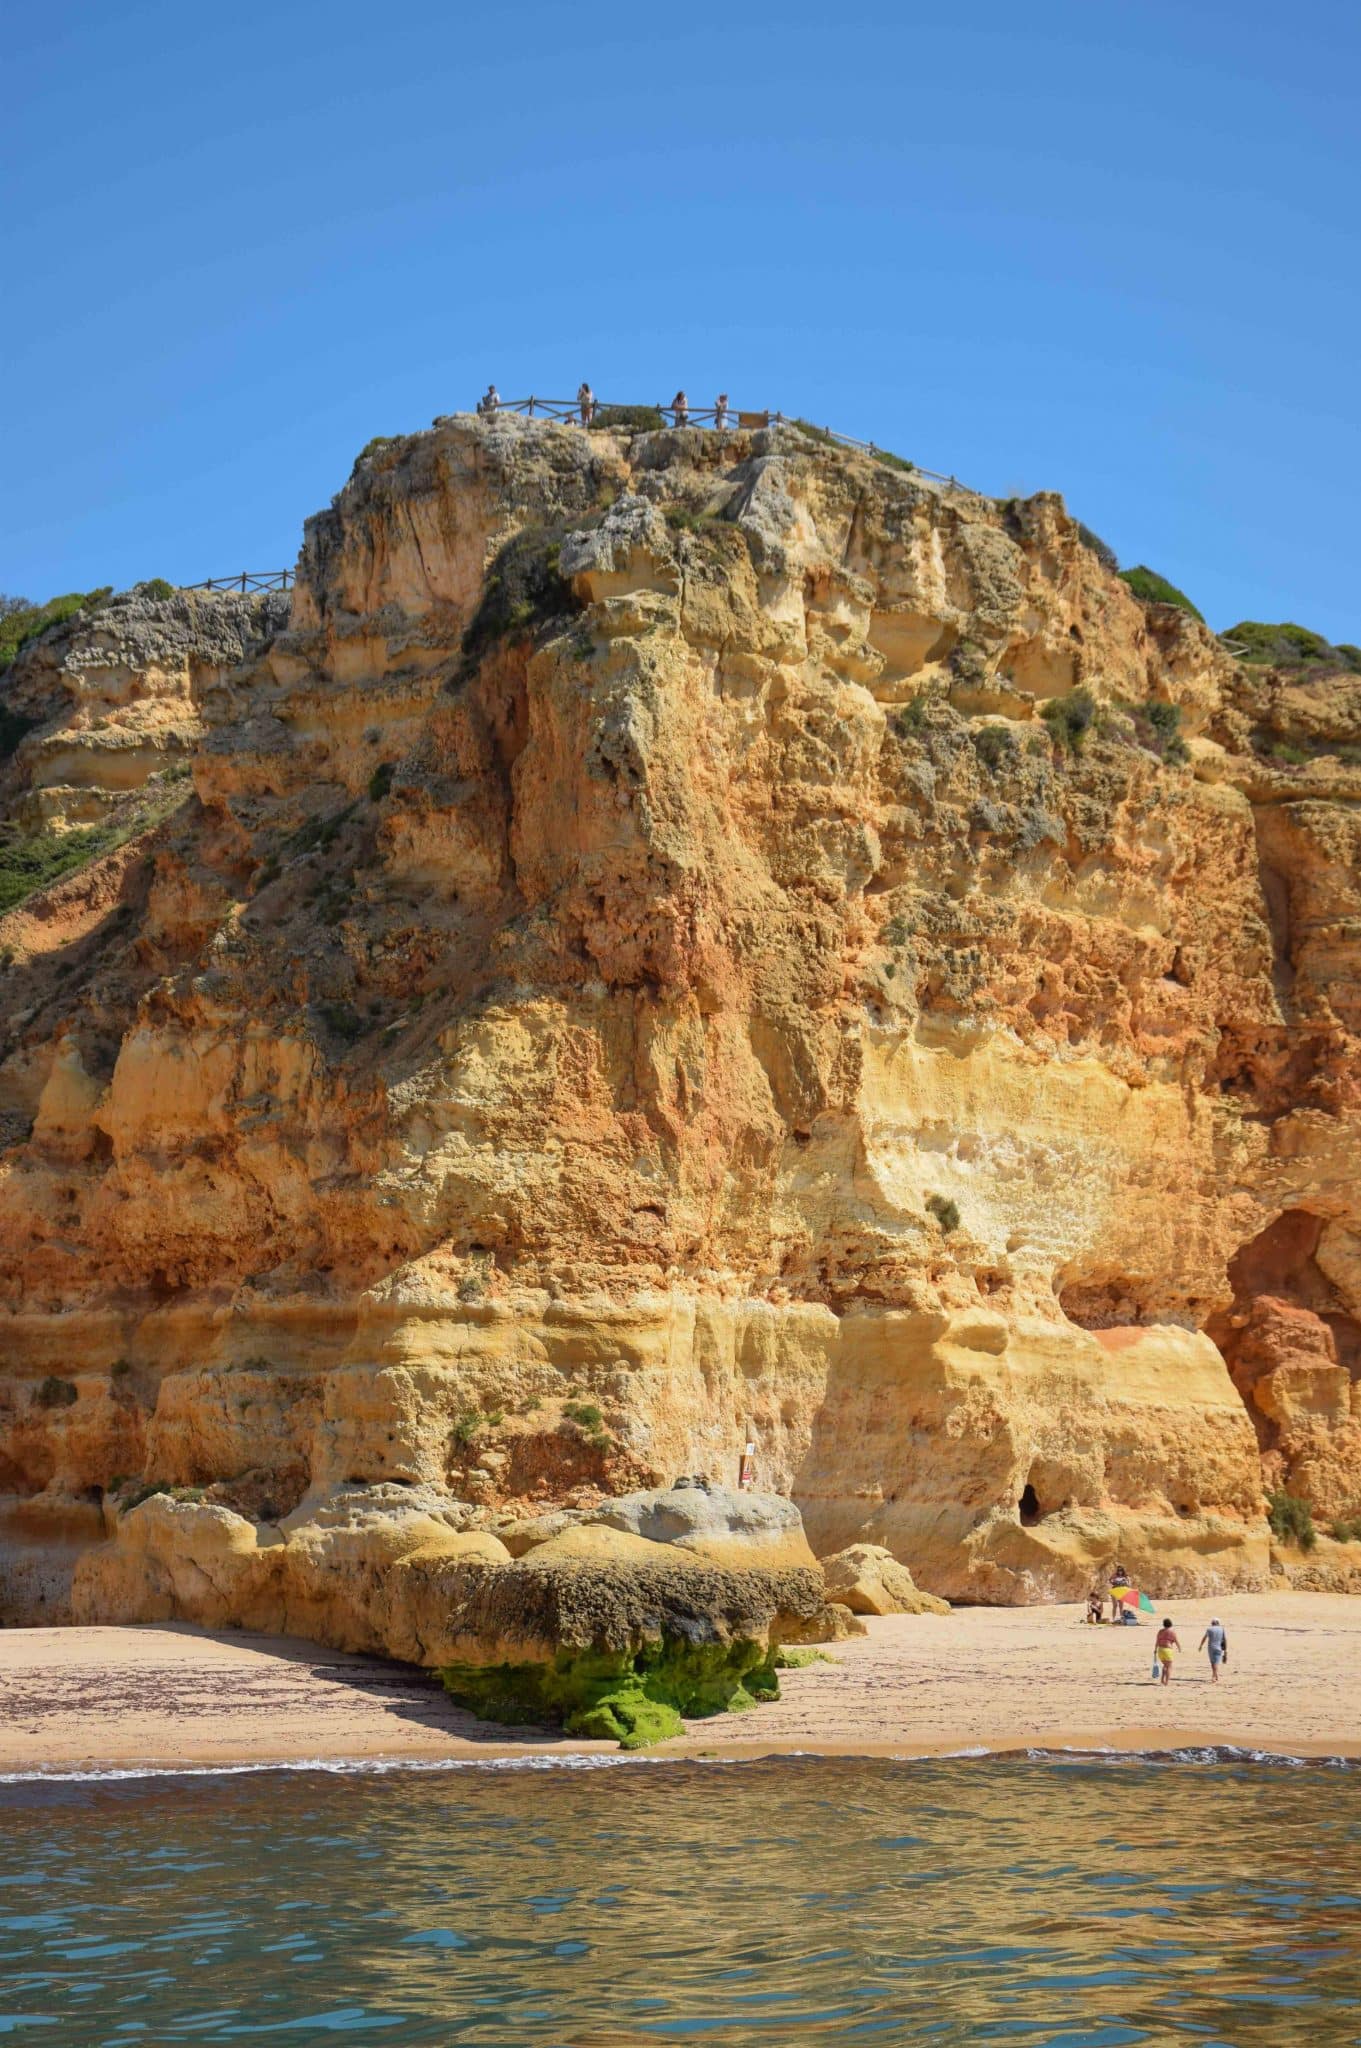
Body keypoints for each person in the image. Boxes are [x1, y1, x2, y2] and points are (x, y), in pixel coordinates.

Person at [1199, 1616, 1229, 1682]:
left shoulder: (1209, 1629)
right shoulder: (1222, 1629)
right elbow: (1225, 1639)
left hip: (1211, 1648)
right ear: (1218, 1623)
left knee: (1213, 1663)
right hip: (1219, 1648)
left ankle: (1213, 1677)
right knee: (1216, 1663)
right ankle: (1216, 1676)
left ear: (1212, 1622)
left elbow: (1204, 1638)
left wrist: (1201, 1645)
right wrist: (1225, 1650)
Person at [1154, 1616, 1181, 1685]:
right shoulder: (1172, 1632)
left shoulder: (1160, 1631)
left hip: (1160, 1650)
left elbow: (1157, 1641)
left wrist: (1155, 1649)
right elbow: (1176, 1641)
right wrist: (1179, 1648)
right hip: (1167, 1650)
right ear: (1170, 1624)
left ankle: (1162, 1680)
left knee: (1165, 1665)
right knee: (1169, 1666)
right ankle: (1166, 1682)